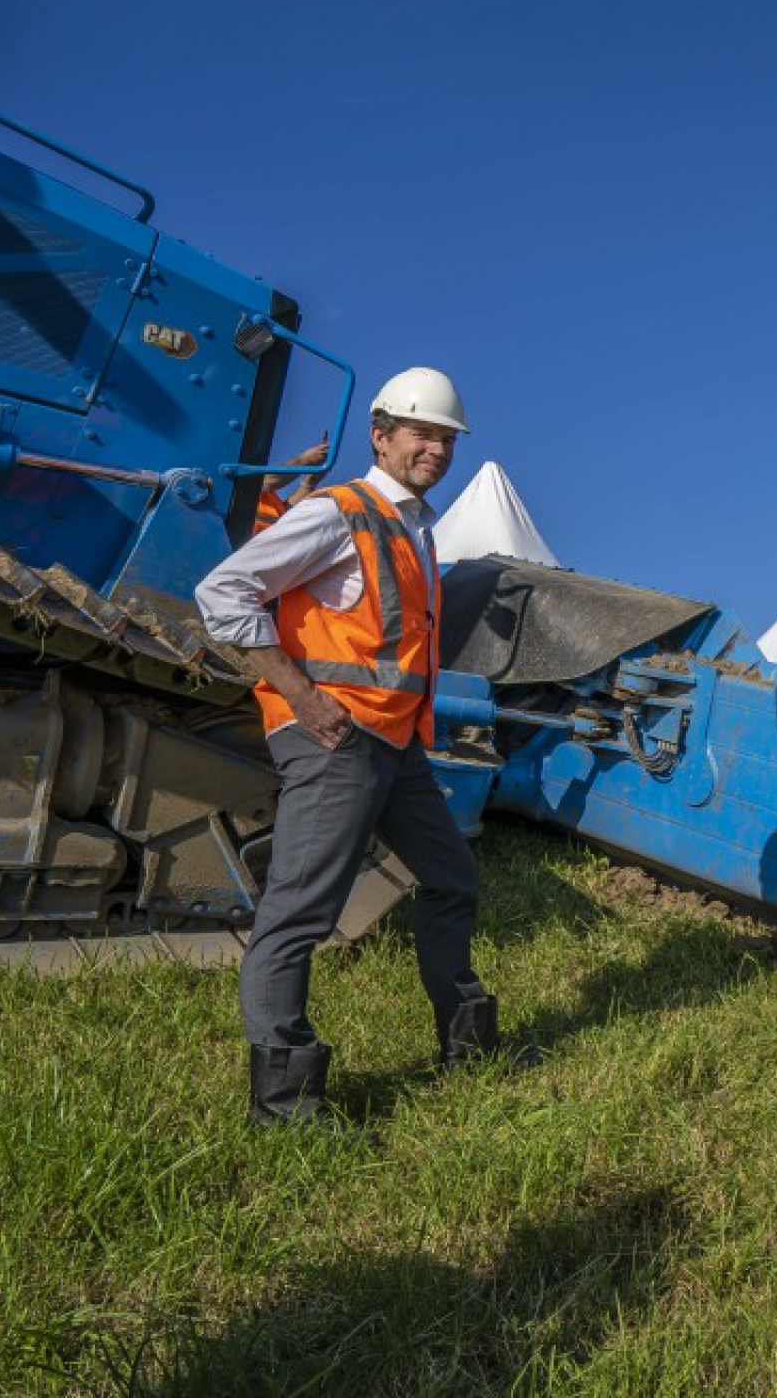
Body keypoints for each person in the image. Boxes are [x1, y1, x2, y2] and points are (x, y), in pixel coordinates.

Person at [195, 366, 523, 1127]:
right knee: (300, 914)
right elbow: (223, 593)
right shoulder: (341, 511)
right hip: (334, 740)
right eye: (422, 434)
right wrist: (302, 697)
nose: (436, 449)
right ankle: (284, 1109)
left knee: (451, 878)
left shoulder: (416, 528)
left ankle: (469, 1047)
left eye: (446, 438)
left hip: (393, 745)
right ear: (381, 436)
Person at [252, 439, 330, 532]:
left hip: (272, 542)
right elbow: (270, 481)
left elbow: (286, 514)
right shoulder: (237, 482)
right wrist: (305, 459)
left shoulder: (267, 498)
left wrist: (310, 481)